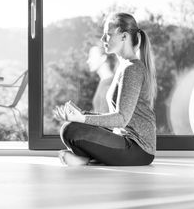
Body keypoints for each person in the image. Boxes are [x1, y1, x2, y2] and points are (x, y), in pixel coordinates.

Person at [54, 13, 156, 166]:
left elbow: (121, 119)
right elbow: (115, 119)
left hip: (138, 149)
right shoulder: (124, 67)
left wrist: (81, 119)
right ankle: (88, 159)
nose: (103, 40)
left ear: (124, 37)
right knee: (71, 128)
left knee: (71, 130)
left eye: (107, 35)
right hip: (124, 140)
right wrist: (81, 115)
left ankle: (87, 159)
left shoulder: (132, 69)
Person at [86, 45, 116, 113]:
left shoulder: (109, 85)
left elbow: (106, 120)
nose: (88, 61)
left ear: (103, 58)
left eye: (91, 57)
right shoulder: (104, 83)